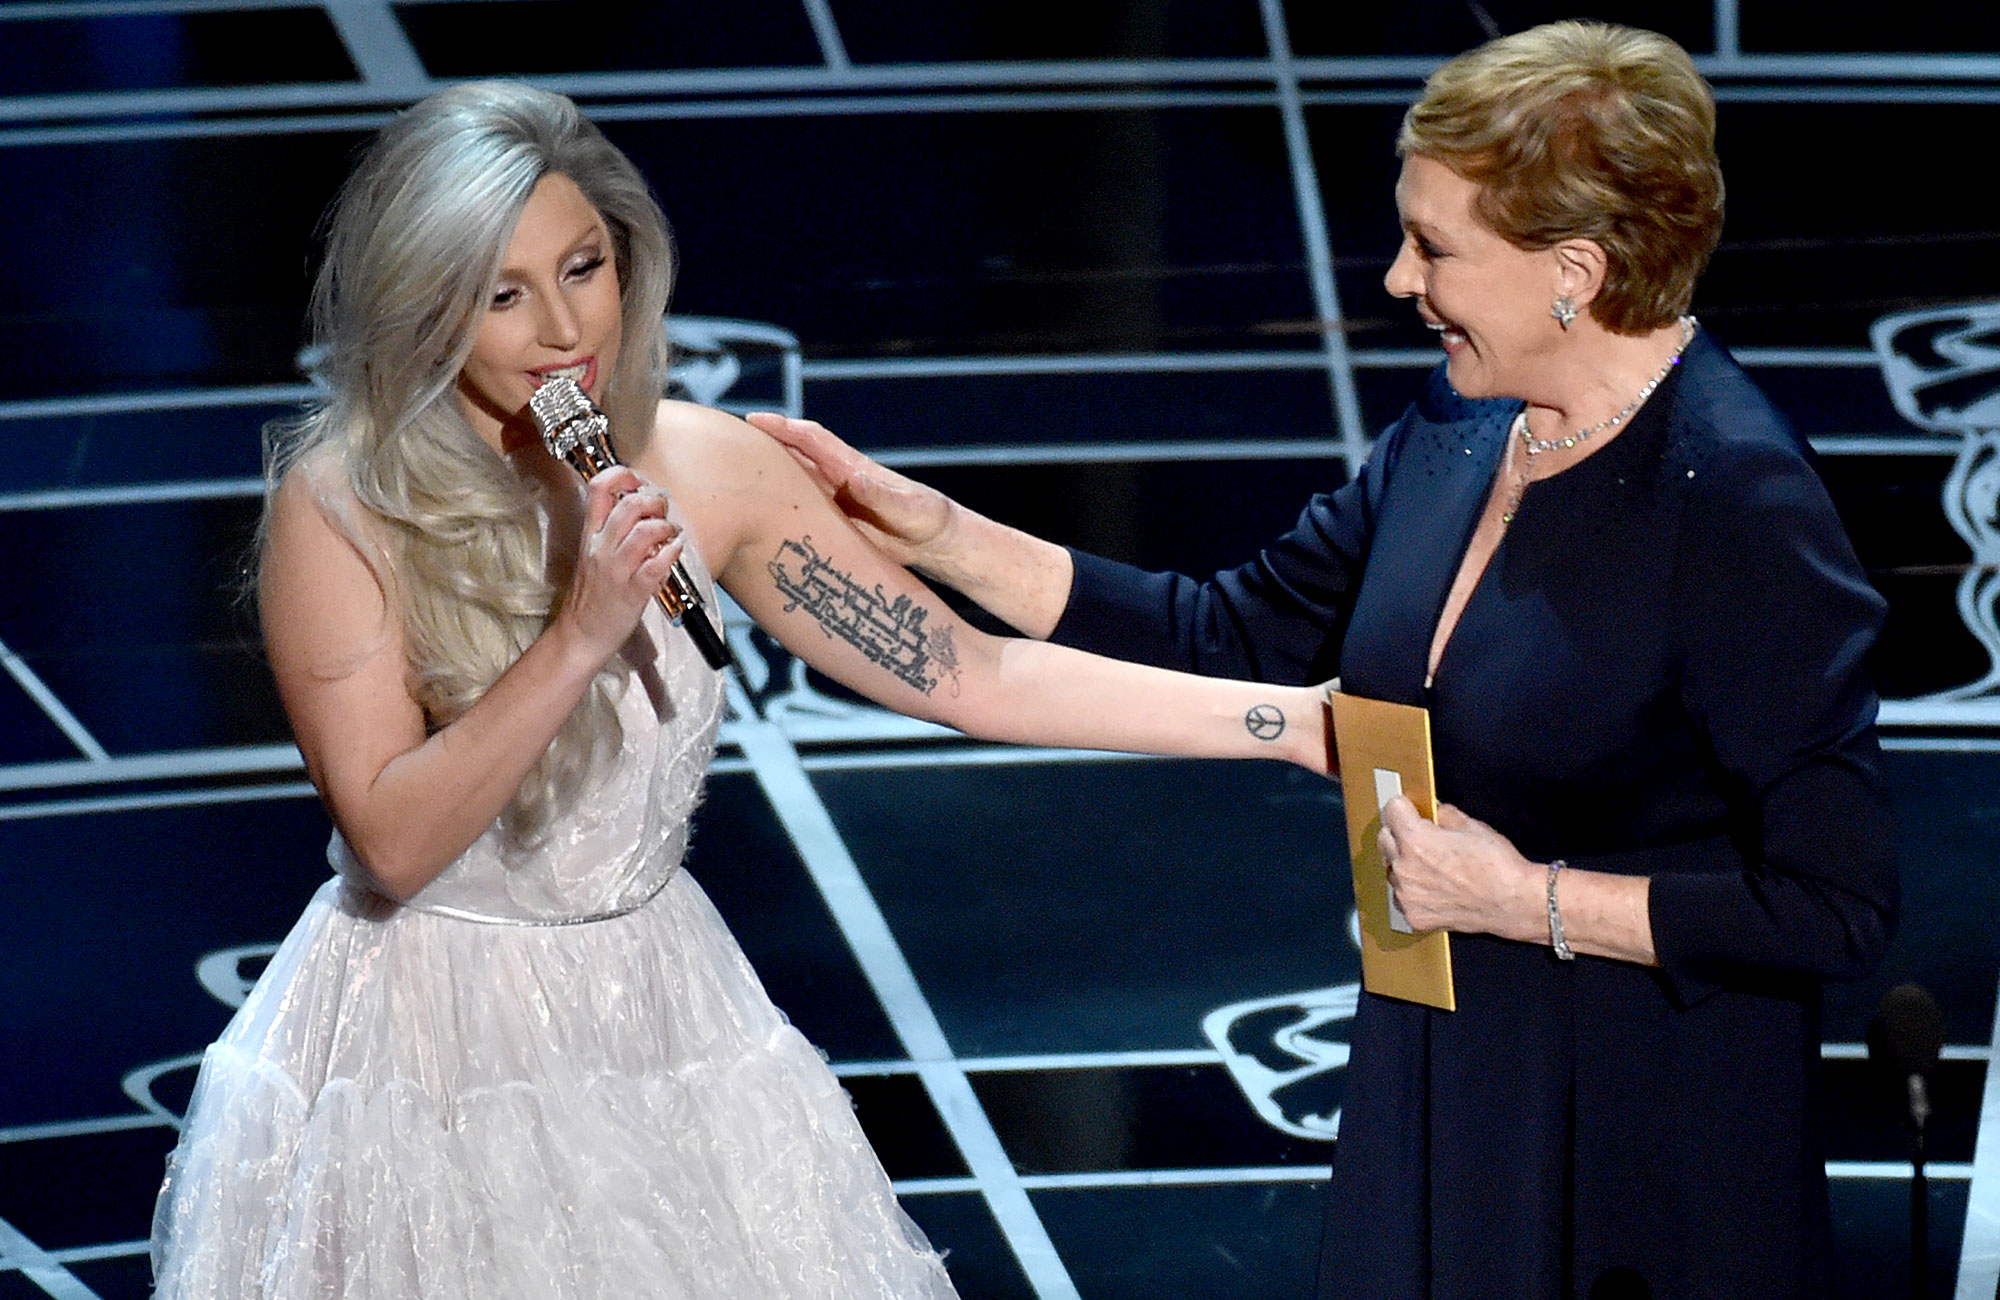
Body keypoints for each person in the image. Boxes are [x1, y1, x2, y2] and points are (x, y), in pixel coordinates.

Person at [755, 21, 1897, 1300]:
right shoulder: (1462, 423)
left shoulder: (1736, 504)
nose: (1399, 279)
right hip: (1441, 1062)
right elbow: (1230, 628)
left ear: (1573, 269)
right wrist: (945, 537)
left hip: (1638, 1126)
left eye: (1436, 247)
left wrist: (1526, 901)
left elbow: (1829, 903)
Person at [148, 81, 1338, 1299]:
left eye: (584, 268)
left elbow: (970, 673)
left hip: (663, 1017)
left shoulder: (705, 464)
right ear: (428, 305)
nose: (565, 329)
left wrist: (1285, 724)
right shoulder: (344, 506)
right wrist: (580, 634)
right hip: (425, 1046)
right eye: (504, 295)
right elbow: (391, 840)